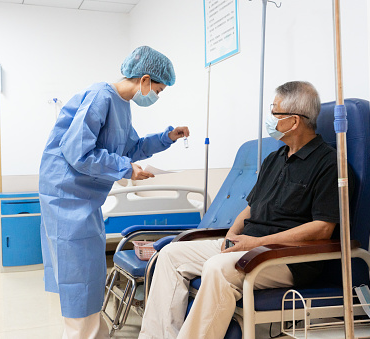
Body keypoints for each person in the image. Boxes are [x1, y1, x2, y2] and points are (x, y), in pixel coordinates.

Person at [139, 81, 348, 339]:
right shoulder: (275, 158)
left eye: (275, 113)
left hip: (287, 257)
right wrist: (231, 236)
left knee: (218, 269)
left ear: (294, 122)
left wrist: (258, 242)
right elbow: (250, 208)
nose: (270, 120)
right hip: (248, 246)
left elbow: (323, 229)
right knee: (170, 254)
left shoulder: (328, 162)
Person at [39, 46, 189, 339]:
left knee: (89, 269)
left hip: (85, 198)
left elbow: (131, 148)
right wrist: (125, 169)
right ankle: (81, 332)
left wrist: (166, 138)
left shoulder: (122, 104)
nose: (156, 96)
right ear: (144, 79)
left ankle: (93, 329)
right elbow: (76, 151)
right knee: (76, 271)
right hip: (66, 195)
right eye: (157, 89)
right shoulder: (100, 96)